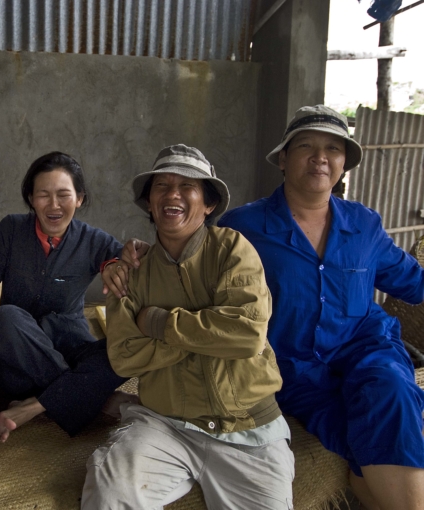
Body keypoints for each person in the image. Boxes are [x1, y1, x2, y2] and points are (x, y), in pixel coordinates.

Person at [219, 105, 424, 510]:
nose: (320, 158)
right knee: (351, 430)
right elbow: (192, 275)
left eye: (333, 148)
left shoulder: (364, 224)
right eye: (306, 147)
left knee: (391, 391)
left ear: (344, 163)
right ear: (283, 158)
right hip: (293, 368)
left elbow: (413, 283)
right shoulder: (242, 228)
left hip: (367, 351)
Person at [82, 145, 294, 509]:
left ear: (208, 203)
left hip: (247, 426)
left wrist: (157, 321)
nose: (172, 195)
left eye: (187, 186)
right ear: (149, 203)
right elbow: (125, 357)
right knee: (110, 489)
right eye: (162, 186)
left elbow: (246, 335)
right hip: (164, 424)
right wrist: (212, 334)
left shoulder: (232, 250)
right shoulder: (132, 273)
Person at [0, 152, 136, 443]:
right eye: (43, 195)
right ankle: (87, 395)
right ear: (31, 199)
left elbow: (121, 260)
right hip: (18, 351)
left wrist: (117, 265)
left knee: (127, 348)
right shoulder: (12, 229)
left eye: (63, 195)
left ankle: (40, 403)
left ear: (79, 198)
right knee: (4, 316)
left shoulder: (94, 240)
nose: (54, 205)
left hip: (71, 345)